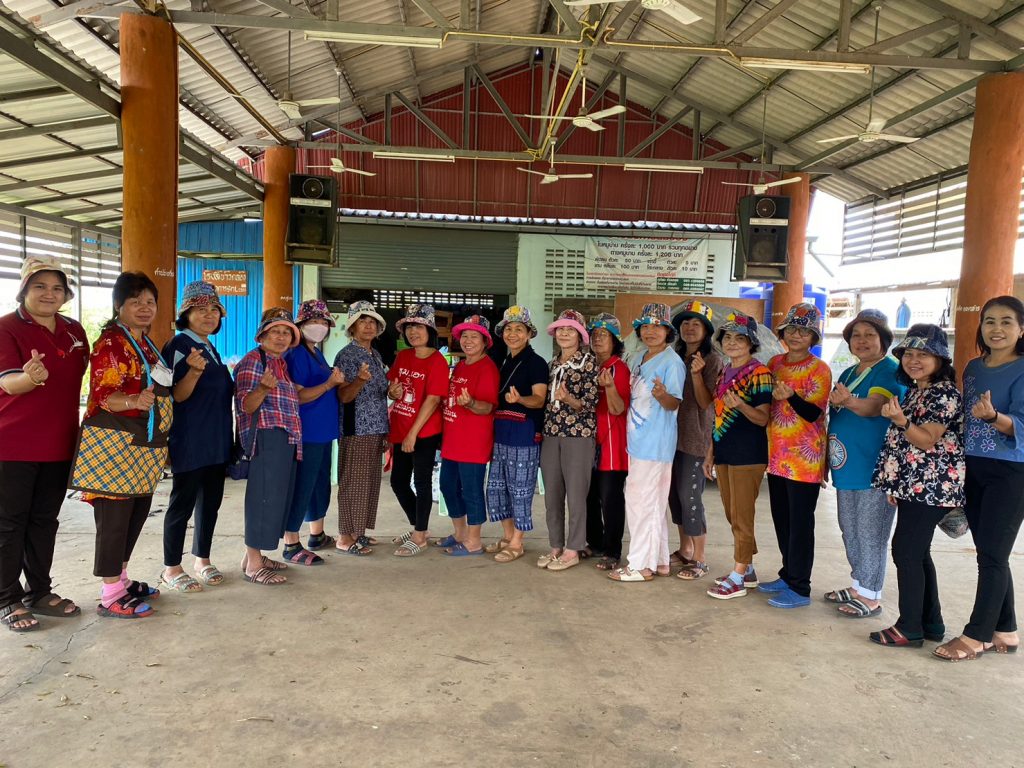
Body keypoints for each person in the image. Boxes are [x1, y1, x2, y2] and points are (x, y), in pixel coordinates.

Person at [70, 271, 172, 618]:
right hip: (115, 442)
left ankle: (122, 580)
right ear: (119, 305)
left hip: (141, 443)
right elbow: (103, 396)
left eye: (150, 302)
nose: (144, 308)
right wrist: (132, 401)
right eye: (135, 301)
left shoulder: (145, 342)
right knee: (114, 518)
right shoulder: (112, 343)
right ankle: (110, 592)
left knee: (136, 511)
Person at [0, 256, 89, 632]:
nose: (49, 294)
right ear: (24, 290)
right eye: (39, 286)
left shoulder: (74, 330)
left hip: (59, 443)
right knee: (9, 523)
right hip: (13, 444)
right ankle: (7, 598)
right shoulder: (7, 327)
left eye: (57, 288)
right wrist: (30, 378)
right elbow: (8, 382)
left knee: (44, 522)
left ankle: (39, 591)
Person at [934, 297, 1024, 661]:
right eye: (989, 321)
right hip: (973, 466)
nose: (996, 329)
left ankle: (977, 635)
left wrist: (993, 417)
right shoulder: (973, 368)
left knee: (992, 556)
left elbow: (1021, 424)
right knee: (990, 551)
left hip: (1011, 470)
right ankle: (1007, 629)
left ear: (1021, 329)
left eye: (1006, 321)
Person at [871, 324, 965, 648]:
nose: (913, 360)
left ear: (940, 359)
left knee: (906, 551)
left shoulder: (944, 393)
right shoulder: (917, 390)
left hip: (932, 486)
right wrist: (897, 483)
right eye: (908, 354)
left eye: (923, 354)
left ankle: (909, 627)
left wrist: (900, 421)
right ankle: (931, 623)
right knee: (918, 552)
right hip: (915, 485)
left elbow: (926, 439)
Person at [825, 309, 905, 618]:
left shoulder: (890, 370)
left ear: (884, 340)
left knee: (871, 533)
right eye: (856, 335)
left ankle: (871, 595)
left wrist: (847, 401)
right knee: (850, 529)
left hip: (875, 468)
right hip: (847, 468)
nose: (862, 340)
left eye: (870, 335)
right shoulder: (849, 372)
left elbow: (875, 406)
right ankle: (859, 584)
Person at [159, 281, 234, 593]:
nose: (209, 315)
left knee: (210, 503)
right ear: (186, 314)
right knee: (182, 502)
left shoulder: (209, 348)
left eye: (214, 309)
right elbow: (175, 396)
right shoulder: (179, 346)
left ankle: (202, 559)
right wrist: (192, 373)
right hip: (190, 438)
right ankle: (171, 568)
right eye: (201, 310)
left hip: (217, 439)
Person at [759, 303, 832, 609]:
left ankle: (800, 588)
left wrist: (791, 396)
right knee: (782, 521)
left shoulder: (819, 369)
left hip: (805, 460)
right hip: (777, 456)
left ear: (813, 337)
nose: (796, 335)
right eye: (791, 329)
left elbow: (815, 413)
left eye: (803, 330)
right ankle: (788, 575)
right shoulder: (775, 362)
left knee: (801, 525)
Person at [608, 303, 684, 583]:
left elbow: (674, 403)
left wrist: (662, 395)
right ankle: (659, 561)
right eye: (645, 327)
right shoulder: (639, 357)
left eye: (657, 326)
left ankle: (640, 565)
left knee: (642, 504)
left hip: (655, 445)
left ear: (667, 331)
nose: (650, 331)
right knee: (651, 503)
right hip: (638, 442)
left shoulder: (672, 362)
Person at [705, 313, 773, 600]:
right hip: (724, 451)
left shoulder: (760, 373)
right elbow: (717, 416)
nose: (732, 343)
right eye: (728, 337)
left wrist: (742, 405)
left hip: (748, 454)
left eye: (739, 338)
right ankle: (748, 570)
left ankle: (737, 576)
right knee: (733, 514)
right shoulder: (724, 371)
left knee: (742, 517)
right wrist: (710, 452)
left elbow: (763, 418)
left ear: (751, 343)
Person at [235, 308, 303, 585]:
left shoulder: (280, 363)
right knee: (262, 499)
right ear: (262, 336)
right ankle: (253, 565)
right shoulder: (253, 361)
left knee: (275, 500)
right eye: (275, 331)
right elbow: (246, 405)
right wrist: (262, 389)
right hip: (266, 437)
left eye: (286, 332)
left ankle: (255, 557)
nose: (281, 337)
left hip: (285, 438)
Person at [283, 300, 345, 564]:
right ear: (300, 325)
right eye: (313, 321)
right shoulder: (296, 354)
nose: (319, 326)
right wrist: (330, 383)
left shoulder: (315, 353)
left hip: (322, 432)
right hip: (306, 433)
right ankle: (291, 544)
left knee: (318, 486)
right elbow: (298, 396)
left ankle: (316, 534)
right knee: (302, 487)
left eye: (323, 322)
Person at [485, 306, 548, 563]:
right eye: (508, 329)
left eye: (519, 329)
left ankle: (517, 543)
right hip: (501, 432)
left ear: (529, 334)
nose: (512, 334)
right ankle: (508, 535)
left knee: (520, 489)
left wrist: (520, 399)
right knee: (498, 487)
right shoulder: (503, 361)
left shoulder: (536, 363)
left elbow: (539, 399)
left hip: (524, 433)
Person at [537, 309, 598, 572]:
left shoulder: (589, 362)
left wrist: (568, 399)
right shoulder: (552, 364)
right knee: (552, 495)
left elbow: (591, 403)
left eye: (570, 329)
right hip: (551, 434)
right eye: (561, 329)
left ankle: (573, 548)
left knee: (576, 495)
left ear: (580, 335)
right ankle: (555, 546)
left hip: (578, 436)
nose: (564, 333)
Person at [386, 304, 449, 557]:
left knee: (421, 482)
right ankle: (418, 527)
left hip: (424, 431)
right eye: (409, 327)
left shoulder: (437, 361)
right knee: (398, 482)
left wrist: (413, 433)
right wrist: (392, 392)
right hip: (400, 428)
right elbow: (393, 388)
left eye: (419, 326)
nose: (413, 331)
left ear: (430, 330)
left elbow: (433, 400)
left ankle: (420, 536)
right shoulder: (403, 356)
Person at [669, 300, 722, 581]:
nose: (689, 328)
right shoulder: (674, 356)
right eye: (685, 323)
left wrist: (698, 375)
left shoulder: (712, 360)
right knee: (674, 498)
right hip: (669, 438)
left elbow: (705, 403)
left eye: (696, 323)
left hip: (695, 439)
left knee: (690, 497)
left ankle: (700, 558)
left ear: (707, 330)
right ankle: (685, 549)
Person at [438, 315, 499, 556]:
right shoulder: (462, 365)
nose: (468, 340)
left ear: (485, 342)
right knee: (447, 486)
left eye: (475, 336)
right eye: (464, 335)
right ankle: (460, 533)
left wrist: (471, 403)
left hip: (473, 442)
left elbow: (488, 407)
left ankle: (474, 541)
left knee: (472, 491)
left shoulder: (488, 369)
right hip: (453, 440)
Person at [333, 300, 389, 556]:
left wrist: (392, 390)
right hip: (356, 428)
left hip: (376, 427)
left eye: (372, 322)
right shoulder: (347, 355)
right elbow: (344, 396)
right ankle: (345, 537)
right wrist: (359, 380)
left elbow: (378, 391)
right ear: (352, 327)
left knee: (368, 483)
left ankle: (359, 532)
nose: (368, 326)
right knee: (352, 483)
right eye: (362, 321)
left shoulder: (374, 354)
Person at [584, 313, 630, 571]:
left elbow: (618, 409)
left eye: (604, 335)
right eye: (594, 334)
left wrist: (610, 387)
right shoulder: (588, 366)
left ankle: (613, 550)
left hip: (612, 443)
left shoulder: (618, 368)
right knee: (588, 496)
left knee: (610, 498)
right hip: (588, 442)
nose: (598, 339)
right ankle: (595, 542)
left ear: (615, 341)